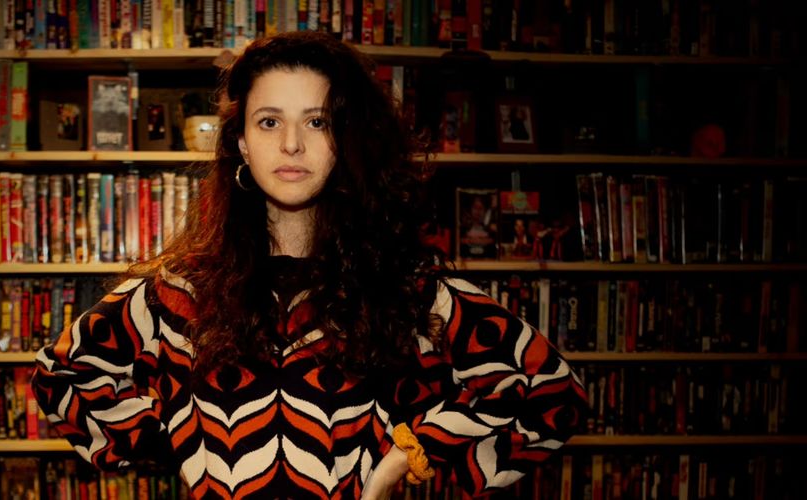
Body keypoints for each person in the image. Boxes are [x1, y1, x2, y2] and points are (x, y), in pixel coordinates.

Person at [32, 31, 588, 499]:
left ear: (344, 141)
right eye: (269, 122)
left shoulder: (409, 286)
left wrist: (403, 460)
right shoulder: (179, 292)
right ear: (243, 144)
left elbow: (551, 392)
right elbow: (64, 377)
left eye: (318, 122)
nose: (292, 144)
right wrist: (174, 438)